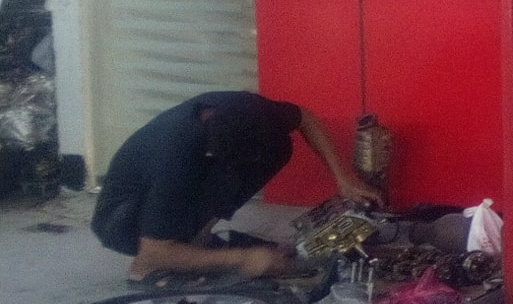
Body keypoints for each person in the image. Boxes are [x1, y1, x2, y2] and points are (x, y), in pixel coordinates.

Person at [90, 92, 378, 281]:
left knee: (280, 147)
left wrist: (344, 178)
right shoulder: (176, 160)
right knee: (157, 255)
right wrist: (243, 259)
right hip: (121, 223)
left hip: (180, 176)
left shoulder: (251, 110)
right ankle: (162, 262)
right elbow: (152, 250)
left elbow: (305, 118)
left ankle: (196, 242)